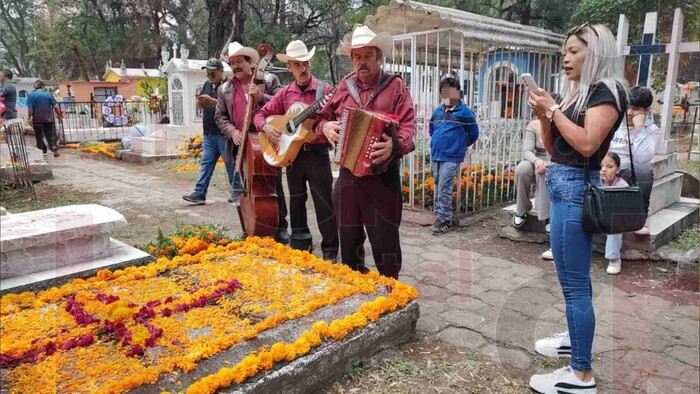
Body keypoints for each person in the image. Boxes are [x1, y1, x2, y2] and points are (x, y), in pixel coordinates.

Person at [527, 23, 629, 393]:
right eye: (564, 52)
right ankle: (574, 341)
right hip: (561, 184)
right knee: (569, 280)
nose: (565, 58)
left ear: (596, 51)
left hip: (574, 191)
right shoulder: (577, 94)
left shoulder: (607, 91)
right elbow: (557, 150)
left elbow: (587, 146)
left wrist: (552, 108)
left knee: (576, 286)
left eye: (573, 51)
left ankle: (580, 374)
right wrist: (544, 113)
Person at [315, 25, 415, 279]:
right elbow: (319, 120)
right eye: (357, 57)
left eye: (368, 56)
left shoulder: (395, 87)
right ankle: (356, 292)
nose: (362, 62)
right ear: (352, 59)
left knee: (386, 244)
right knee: (348, 242)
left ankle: (392, 293)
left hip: (383, 179)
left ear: (378, 57)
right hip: (348, 178)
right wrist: (325, 126)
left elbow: (408, 126)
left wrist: (396, 145)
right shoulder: (341, 88)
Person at [254, 40, 339, 261]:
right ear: (289, 68)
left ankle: (330, 250)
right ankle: (301, 245)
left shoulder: (326, 90)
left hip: (318, 154)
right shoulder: (285, 93)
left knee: (324, 202)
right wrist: (267, 127)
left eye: (305, 63)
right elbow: (259, 114)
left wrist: (326, 126)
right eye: (296, 64)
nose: (302, 68)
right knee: (297, 200)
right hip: (293, 156)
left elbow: (338, 118)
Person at [215, 42, 289, 244]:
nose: (236, 66)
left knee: (273, 185)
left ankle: (281, 226)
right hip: (241, 142)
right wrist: (232, 131)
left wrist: (261, 96)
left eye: (239, 61)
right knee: (243, 187)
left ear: (250, 62)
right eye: (232, 63)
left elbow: (284, 104)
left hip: (266, 138)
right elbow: (220, 116)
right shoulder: (225, 88)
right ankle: (249, 225)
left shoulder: (268, 79)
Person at [183, 58, 241, 205]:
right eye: (208, 74)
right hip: (208, 133)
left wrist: (212, 101)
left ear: (221, 72)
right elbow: (204, 105)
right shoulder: (207, 85)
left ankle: (238, 192)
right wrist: (201, 103)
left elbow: (232, 105)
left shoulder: (229, 86)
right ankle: (200, 193)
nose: (210, 77)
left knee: (230, 164)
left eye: (213, 74)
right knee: (206, 164)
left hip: (223, 133)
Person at [607, 86, 661, 235]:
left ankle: (639, 219)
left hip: (631, 169)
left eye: (636, 109)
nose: (630, 113)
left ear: (646, 110)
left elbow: (642, 157)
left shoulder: (652, 131)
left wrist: (639, 128)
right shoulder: (614, 124)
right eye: (628, 107)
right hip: (607, 165)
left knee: (643, 169)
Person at [428, 76, 479, 235]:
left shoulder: (465, 112)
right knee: (437, 183)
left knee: (444, 185)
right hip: (437, 153)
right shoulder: (437, 111)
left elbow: (473, 133)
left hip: (452, 155)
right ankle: (440, 213)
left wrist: (459, 145)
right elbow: (432, 130)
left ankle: (444, 219)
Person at [599, 152, 629, 274]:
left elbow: (617, 207)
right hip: (596, 218)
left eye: (609, 167)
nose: (604, 170)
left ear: (618, 169)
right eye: (602, 166)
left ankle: (614, 259)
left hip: (612, 220)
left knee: (614, 222)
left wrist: (607, 185)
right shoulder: (595, 180)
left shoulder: (622, 184)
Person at [26, 80, 62, 157]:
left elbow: (30, 109)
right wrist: (59, 116)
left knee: (39, 136)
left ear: (35, 87)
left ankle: (42, 151)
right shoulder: (48, 94)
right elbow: (56, 106)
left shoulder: (31, 95)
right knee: (51, 135)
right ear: (43, 87)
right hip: (49, 119)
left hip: (37, 120)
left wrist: (30, 118)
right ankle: (54, 147)